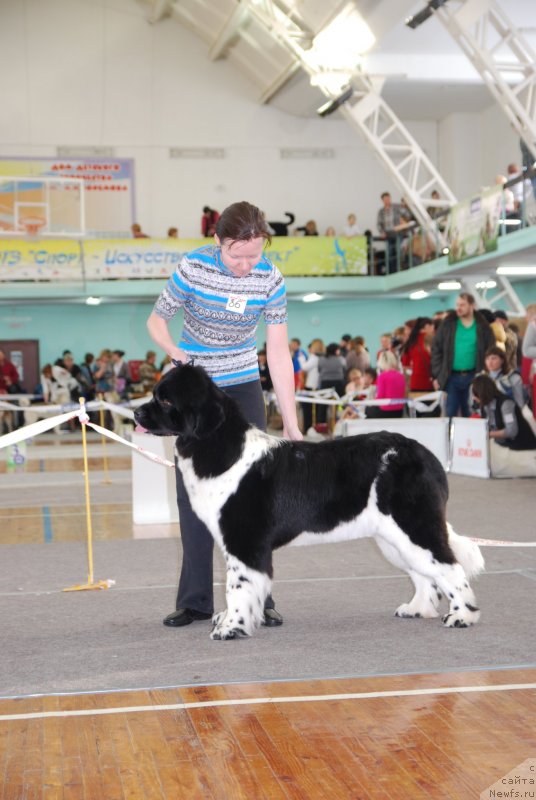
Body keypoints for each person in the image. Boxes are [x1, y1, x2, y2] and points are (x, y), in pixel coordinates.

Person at [145, 200, 302, 629]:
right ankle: (194, 600)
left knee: (255, 494)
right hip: (194, 387)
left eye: (255, 254)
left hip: (243, 383)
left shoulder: (270, 279)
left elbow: (277, 350)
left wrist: (289, 420)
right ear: (217, 242)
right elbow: (157, 320)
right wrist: (175, 352)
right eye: (237, 255)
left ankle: (259, 597)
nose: (246, 264)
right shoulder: (193, 267)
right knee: (193, 493)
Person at [431, 293, 495, 417]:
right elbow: (436, 349)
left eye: (462, 305)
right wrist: (437, 374)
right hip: (451, 377)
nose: (458, 308)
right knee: (450, 413)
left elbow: (490, 349)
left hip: (474, 376)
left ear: (472, 306)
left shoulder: (483, 326)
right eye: (457, 305)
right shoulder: (448, 324)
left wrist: (487, 372)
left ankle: (470, 437)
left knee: (471, 413)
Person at [471, 374, 536, 477]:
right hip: (502, 443)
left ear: (481, 392)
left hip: (519, 444)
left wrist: (490, 434)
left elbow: (511, 431)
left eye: (475, 394)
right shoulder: (484, 406)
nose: (474, 398)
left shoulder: (506, 404)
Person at [366, 351, 406, 418]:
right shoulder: (401, 375)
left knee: (367, 410)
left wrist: (371, 402)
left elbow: (380, 397)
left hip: (386, 411)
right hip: (399, 411)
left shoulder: (382, 376)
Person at [401, 317, 434, 393]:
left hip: (415, 382)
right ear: (427, 326)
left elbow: (405, 364)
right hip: (429, 381)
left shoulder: (410, 341)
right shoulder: (431, 338)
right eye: (433, 327)